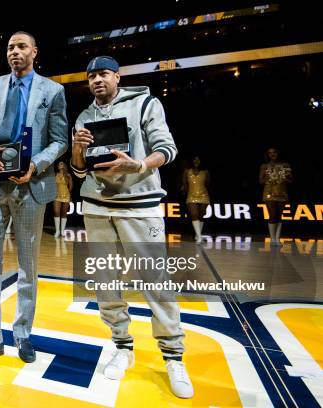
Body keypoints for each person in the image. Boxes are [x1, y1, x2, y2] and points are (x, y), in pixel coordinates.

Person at [70, 56, 193, 398]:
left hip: (140, 206)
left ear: (117, 76)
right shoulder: (84, 116)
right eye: (92, 75)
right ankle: (122, 347)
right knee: (105, 283)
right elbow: (79, 171)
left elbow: (166, 149)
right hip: (96, 208)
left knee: (156, 281)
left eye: (104, 74)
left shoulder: (145, 103)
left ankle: (173, 356)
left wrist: (137, 164)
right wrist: (78, 151)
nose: (97, 80)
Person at [0, 31, 68, 365]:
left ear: (34, 51)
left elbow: (60, 139)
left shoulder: (54, 91)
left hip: (30, 186)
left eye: (22, 47)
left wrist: (35, 165)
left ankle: (22, 334)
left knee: (27, 266)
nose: (15, 52)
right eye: (10, 47)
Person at [259, 147, 292, 244]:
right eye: (270, 153)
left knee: (279, 215)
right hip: (269, 192)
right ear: (268, 155)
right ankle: (272, 238)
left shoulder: (285, 165)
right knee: (272, 214)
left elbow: (291, 180)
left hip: (282, 192)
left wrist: (283, 178)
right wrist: (271, 178)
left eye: (274, 152)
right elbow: (260, 180)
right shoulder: (264, 166)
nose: (272, 154)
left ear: (278, 153)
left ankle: (277, 238)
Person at [181, 156, 210, 243]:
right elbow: (185, 184)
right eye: (194, 159)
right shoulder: (187, 172)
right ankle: (199, 237)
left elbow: (208, 184)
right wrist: (183, 190)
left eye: (198, 159)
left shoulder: (205, 172)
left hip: (204, 196)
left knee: (201, 216)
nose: (196, 161)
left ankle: (198, 235)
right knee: (194, 214)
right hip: (191, 196)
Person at [53, 161, 72, 238]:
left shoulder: (68, 175)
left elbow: (71, 186)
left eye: (61, 164)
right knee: (56, 211)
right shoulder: (55, 175)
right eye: (58, 164)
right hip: (56, 196)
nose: (59, 165)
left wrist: (68, 194)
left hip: (66, 196)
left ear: (64, 165)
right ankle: (57, 231)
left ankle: (62, 231)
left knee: (64, 213)